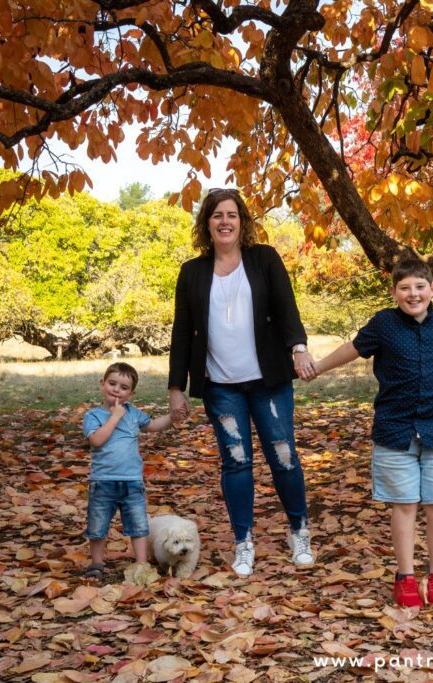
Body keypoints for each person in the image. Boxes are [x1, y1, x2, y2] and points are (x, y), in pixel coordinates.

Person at [299, 257, 433, 607]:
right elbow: (351, 349)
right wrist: (318, 367)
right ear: (394, 293)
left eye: (420, 286)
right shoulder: (383, 324)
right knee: (404, 505)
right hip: (395, 428)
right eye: (404, 288)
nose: (413, 293)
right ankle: (405, 577)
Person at [168, 188, 316, 578]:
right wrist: (175, 388)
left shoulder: (264, 259)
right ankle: (243, 542)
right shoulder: (192, 272)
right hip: (221, 386)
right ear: (207, 224)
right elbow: (182, 332)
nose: (225, 221)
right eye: (217, 215)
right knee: (236, 463)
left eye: (232, 214)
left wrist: (298, 348)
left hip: (269, 382)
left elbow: (287, 307)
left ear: (242, 221)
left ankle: (299, 531)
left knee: (283, 457)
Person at [83, 362, 173, 581]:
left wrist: (173, 417)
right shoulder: (93, 415)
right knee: (98, 524)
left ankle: (142, 564)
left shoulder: (133, 414)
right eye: (112, 383)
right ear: (102, 384)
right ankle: (97, 562)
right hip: (103, 481)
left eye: (123, 387)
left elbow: (152, 425)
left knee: (138, 524)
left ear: (131, 394)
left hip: (132, 480)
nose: (116, 390)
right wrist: (114, 416)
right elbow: (96, 440)